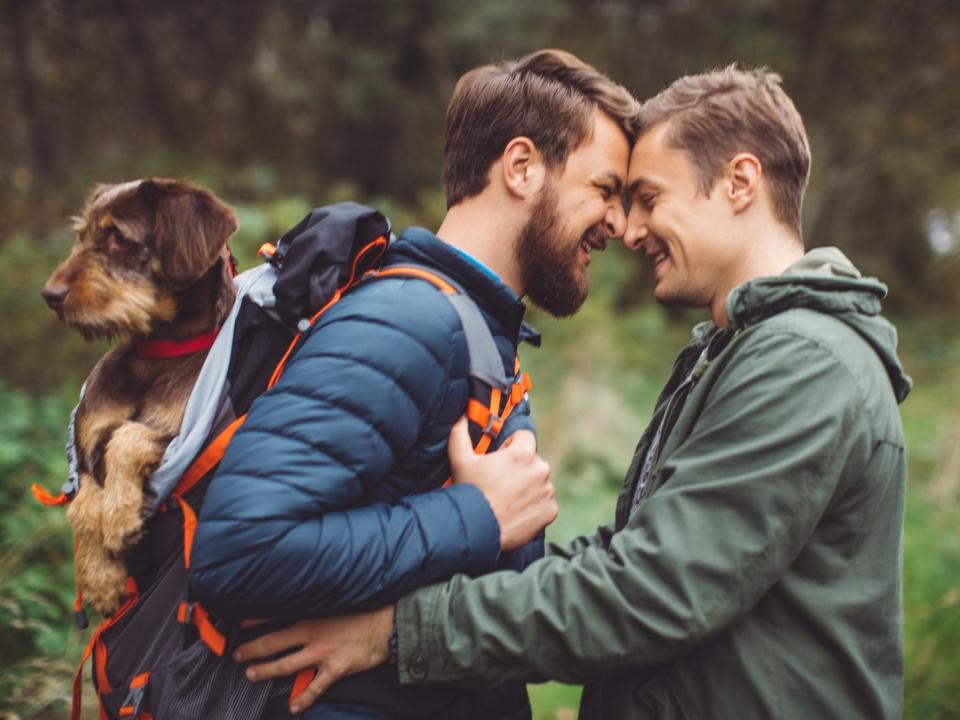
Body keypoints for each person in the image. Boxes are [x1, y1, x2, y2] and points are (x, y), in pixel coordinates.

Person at [235, 66, 913, 719]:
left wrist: (400, 630)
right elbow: (640, 563)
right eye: (619, 194)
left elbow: (653, 589)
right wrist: (475, 524)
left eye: (648, 198)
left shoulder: (802, 361)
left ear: (740, 183)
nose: (629, 228)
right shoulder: (735, 350)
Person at [189, 49, 637, 718]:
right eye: (605, 190)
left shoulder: (470, 328)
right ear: (521, 168)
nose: (620, 225)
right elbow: (238, 553)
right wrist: (477, 517)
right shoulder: (406, 322)